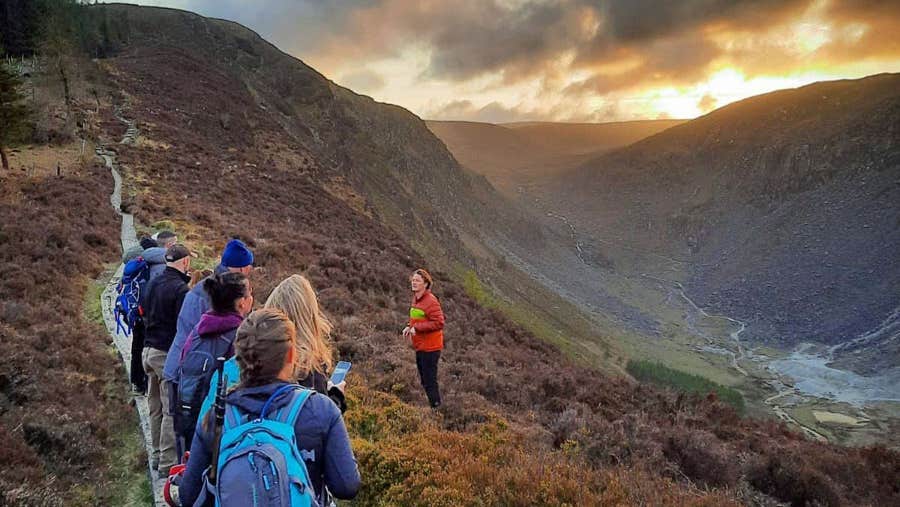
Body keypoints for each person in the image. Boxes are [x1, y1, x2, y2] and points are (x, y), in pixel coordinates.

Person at [178, 308, 361, 506]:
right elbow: (346, 486)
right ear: (291, 355)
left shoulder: (218, 415)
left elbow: (188, 495)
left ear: (238, 357)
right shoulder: (320, 409)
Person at [174, 272, 253, 453]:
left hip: (189, 421)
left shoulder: (197, 331)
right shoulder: (241, 338)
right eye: (249, 293)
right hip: (221, 432)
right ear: (241, 302)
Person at [163, 239, 254, 387]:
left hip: (180, 367)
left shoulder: (204, 286)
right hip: (190, 378)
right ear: (243, 269)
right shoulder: (223, 293)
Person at [142, 243, 194, 475]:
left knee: (154, 407)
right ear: (184, 262)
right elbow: (183, 327)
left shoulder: (153, 282)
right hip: (165, 354)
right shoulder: (181, 290)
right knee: (169, 409)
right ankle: (166, 463)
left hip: (147, 350)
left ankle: (155, 455)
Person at [265, 274, 346, 412]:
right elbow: (320, 425)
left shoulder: (255, 357)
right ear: (309, 316)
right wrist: (336, 398)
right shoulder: (307, 370)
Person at [126, 236, 168, 395]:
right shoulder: (161, 264)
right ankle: (147, 382)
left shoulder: (139, 264)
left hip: (136, 312)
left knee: (136, 346)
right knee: (148, 347)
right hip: (151, 313)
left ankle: (137, 383)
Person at [402, 268, 444, 409]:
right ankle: (433, 406)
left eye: (418, 281)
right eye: (413, 280)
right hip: (420, 346)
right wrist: (409, 326)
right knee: (424, 379)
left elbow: (439, 322)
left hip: (431, 348)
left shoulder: (431, 301)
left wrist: (417, 328)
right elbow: (417, 318)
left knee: (429, 380)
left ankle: (436, 408)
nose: (414, 283)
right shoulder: (416, 299)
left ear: (425, 284)